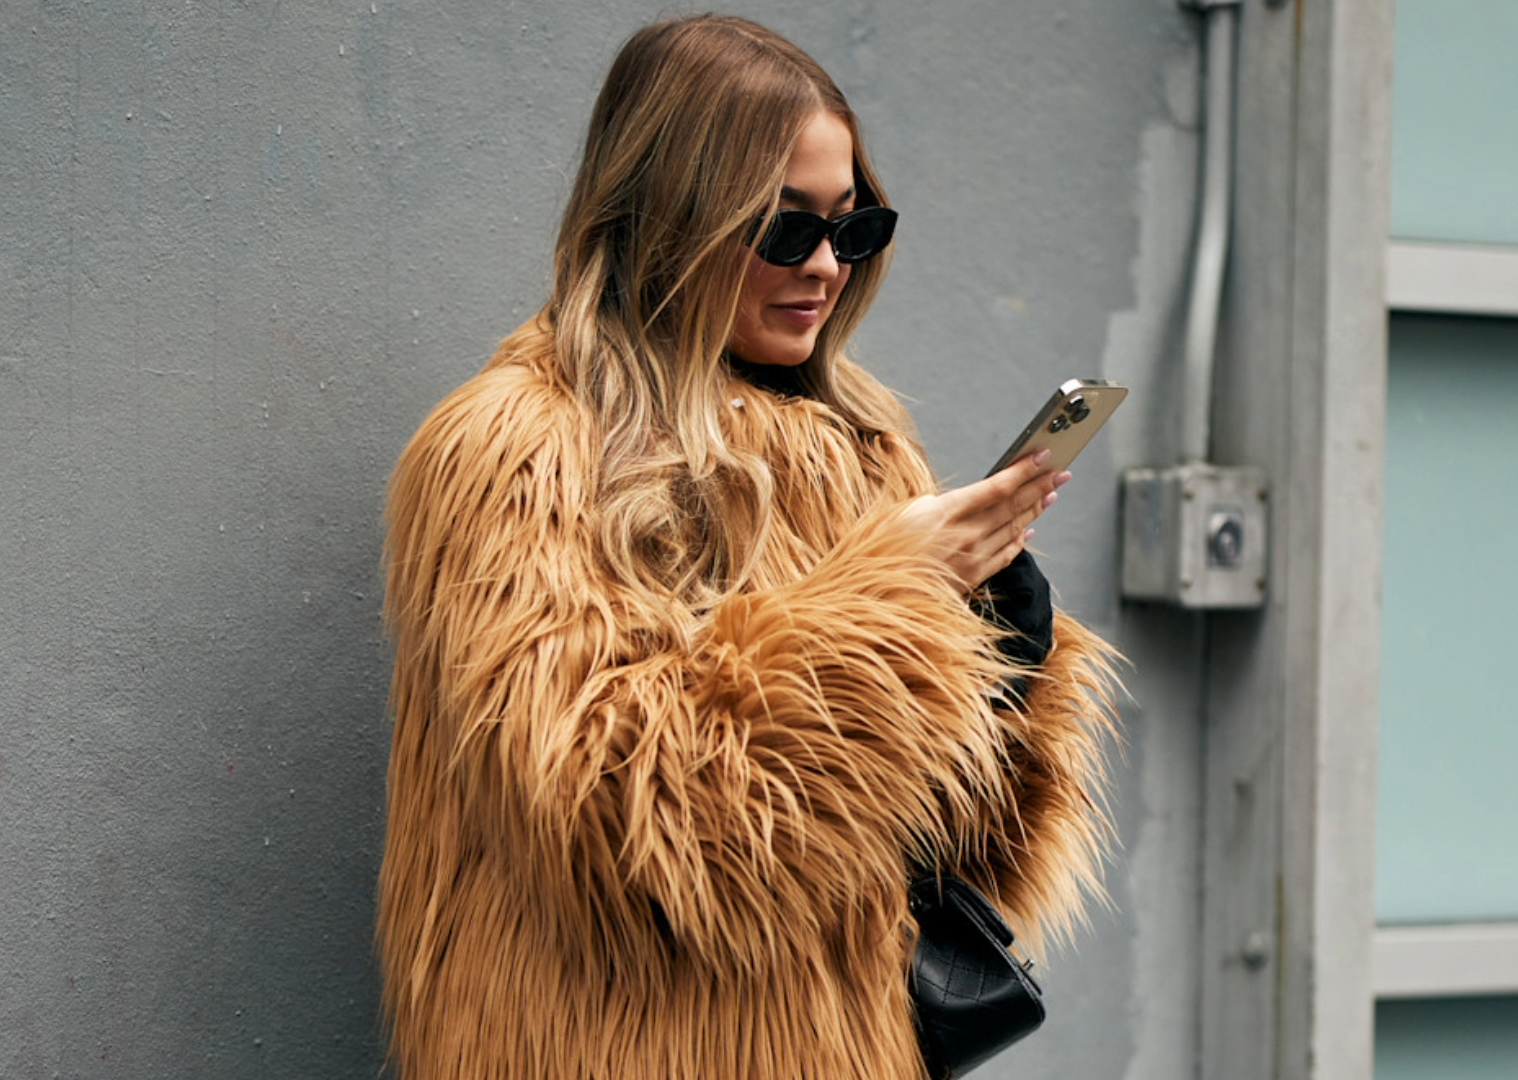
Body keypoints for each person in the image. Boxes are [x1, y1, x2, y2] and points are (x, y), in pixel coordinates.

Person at [378, 15, 1119, 1079]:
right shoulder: (518, 452)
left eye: (853, 231)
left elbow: (949, 863)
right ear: (667, 220)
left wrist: (1004, 658)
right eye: (785, 230)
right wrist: (892, 612)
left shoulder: (861, 453)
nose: (826, 267)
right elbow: (626, 841)